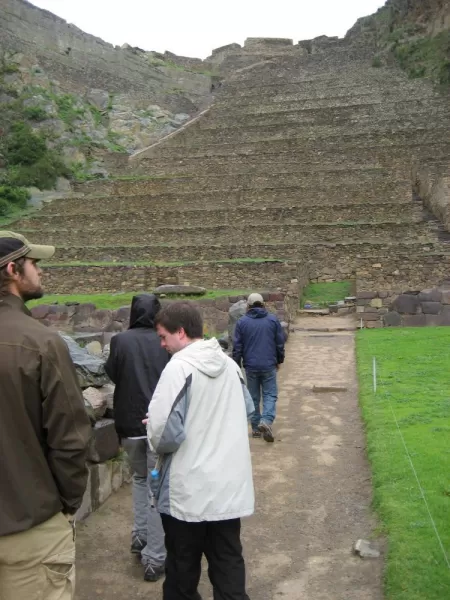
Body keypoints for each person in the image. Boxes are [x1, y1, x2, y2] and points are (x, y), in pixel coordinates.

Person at [0, 231, 91, 600]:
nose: (40, 270)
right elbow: (70, 442)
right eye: (34, 263)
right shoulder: (40, 343)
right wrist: (65, 506)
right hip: (29, 530)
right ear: (13, 270)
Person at [146, 302, 254, 600]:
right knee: (228, 561)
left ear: (180, 332)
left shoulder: (179, 369)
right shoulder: (230, 366)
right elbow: (247, 408)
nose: (162, 343)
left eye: (163, 336)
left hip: (189, 489)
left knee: (182, 567)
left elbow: (164, 434)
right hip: (228, 486)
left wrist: (155, 424)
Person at [105, 294, 169, 582]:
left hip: (129, 423)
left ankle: (140, 536)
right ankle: (155, 557)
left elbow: (113, 374)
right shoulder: (163, 340)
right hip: (156, 425)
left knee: (141, 480)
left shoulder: (121, 341)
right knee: (157, 490)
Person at [232, 293, 285, 443]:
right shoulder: (273, 320)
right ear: (263, 304)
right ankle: (266, 421)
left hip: (251, 366)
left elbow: (237, 347)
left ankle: (255, 428)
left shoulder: (242, 322)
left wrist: (236, 365)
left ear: (248, 306)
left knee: (253, 396)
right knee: (270, 394)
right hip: (269, 364)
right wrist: (279, 359)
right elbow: (279, 343)